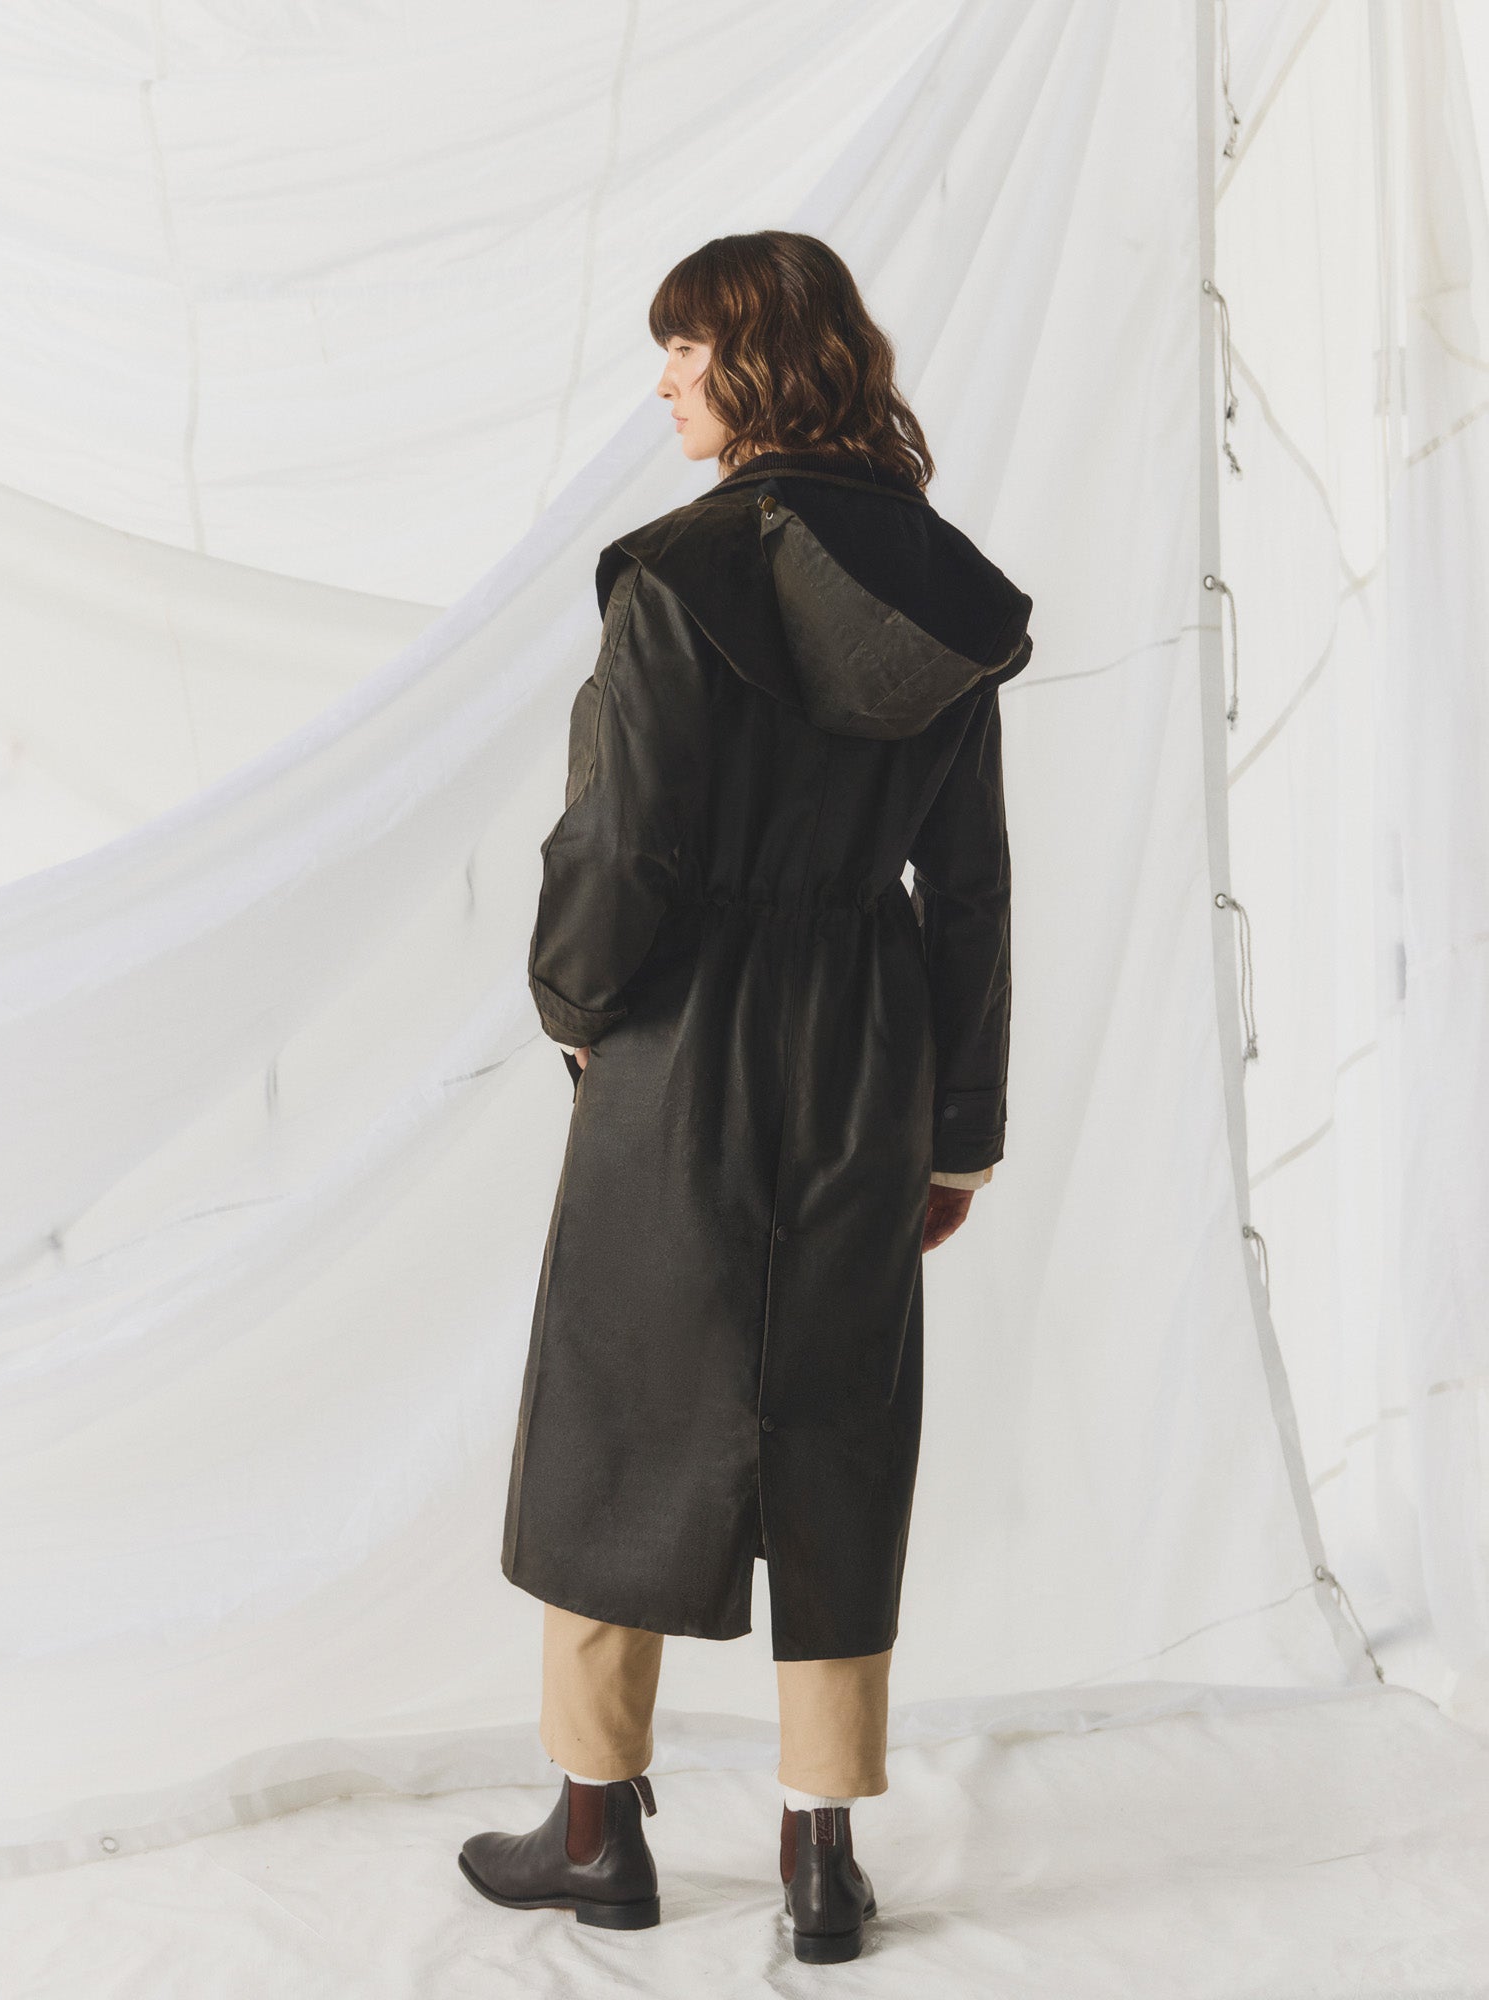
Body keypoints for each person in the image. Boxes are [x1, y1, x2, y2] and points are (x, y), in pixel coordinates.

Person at [459, 230, 1032, 1964]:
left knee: (617, 1406)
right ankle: (821, 1854)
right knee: (838, 1420)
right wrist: (958, 1130)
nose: (664, 383)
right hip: (866, 1040)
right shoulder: (945, 596)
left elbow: (624, 841)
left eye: (687, 349)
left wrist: (576, 1005)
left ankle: (594, 1831)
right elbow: (971, 888)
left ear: (759, 359)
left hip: (687, 1039)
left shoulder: (682, 575)